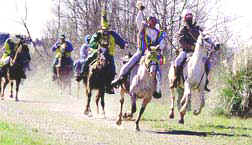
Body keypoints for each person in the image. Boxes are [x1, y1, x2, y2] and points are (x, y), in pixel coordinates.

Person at [111, 1, 167, 98]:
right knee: (129, 64)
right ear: (148, 22)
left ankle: (158, 88)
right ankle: (120, 79)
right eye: (151, 22)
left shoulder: (159, 33)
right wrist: (140, 11)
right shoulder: (144, 28)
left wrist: (159, 47)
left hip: (153, 54)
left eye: (154, 22)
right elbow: (138, 20)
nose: (152, 24)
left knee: (157, 70)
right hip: (141, 51)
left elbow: (162, 43)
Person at [80, 8, 127, 94]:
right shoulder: (98, 34)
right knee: (88, 60)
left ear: (109, 28)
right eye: (103, 29)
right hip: (98, 53)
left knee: (113, 69)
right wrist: (94, 45)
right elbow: (92, 42)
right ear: (101, 28)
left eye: (106, 29)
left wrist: (124, 44)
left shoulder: (113, 34)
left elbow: (120, 40)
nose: (105, 31)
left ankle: (109, 86)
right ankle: (82, 74)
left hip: (109, 55)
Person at [170, 10, 219, 91]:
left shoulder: (198, 28)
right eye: (188, 18)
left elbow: (206, 36)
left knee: (208, 64)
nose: (189, 20)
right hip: (186, 52)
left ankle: (205, 81)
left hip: (198, 52)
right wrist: (191, 47)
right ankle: (176, 79)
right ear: (185, 20)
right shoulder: (183, 30)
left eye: (190, 18)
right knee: (177, 62)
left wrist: (214, 43)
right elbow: (181, 41)